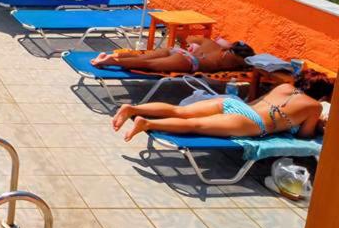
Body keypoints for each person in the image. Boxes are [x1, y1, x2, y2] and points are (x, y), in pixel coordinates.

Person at [115, 69, 333, 142]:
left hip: (235, 105)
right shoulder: (314, 106)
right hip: (252, 122)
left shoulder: (284, 87)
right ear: (322, 94)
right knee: (195, 125)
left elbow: (253, 102)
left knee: (179, 111)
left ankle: (133, 109)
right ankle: (147, 123)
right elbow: (304, 136)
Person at [91, 37, 255, 74]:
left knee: (142, 58)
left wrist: (193, 47)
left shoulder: (213, 44)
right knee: (148, 66)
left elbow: (191, 39)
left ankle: (109, 56)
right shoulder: (238, 61)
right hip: (189, 62)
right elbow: (247, 67)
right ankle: (111, 60)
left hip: (180, 52)